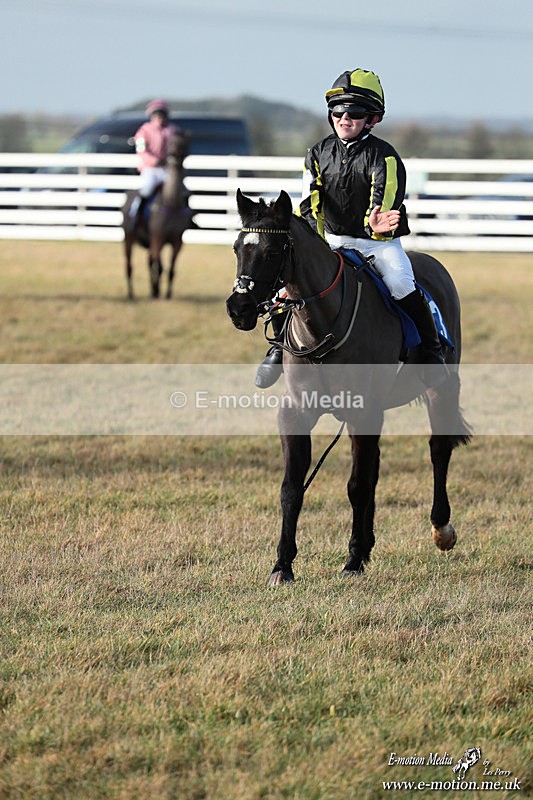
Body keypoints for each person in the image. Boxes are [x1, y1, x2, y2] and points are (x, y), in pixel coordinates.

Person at [255, 68, 449, 390]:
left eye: (355, 112)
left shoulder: (385, 156)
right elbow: (310, 204)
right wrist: (317, 244)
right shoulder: (316, 154)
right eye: (337, 111)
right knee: (285, 286)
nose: (344, 118)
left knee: (401, 282)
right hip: (331, 240)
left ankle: (431, 351)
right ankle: (278, 348)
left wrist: (374, 224)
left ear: (372, 119)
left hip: (377, 244)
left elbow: (384, 199)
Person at [127, 99, 180, 225]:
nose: (159, 118)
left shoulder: (172, 130)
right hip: (150, 168)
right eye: (157, 115)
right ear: (152, 116)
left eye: (162, 115)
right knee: (147, 188)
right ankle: (136, 214)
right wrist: (153, 160)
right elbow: (141, 151)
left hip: (167, 168)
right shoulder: (144, 131)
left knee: (180, 189)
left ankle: (186, 218)